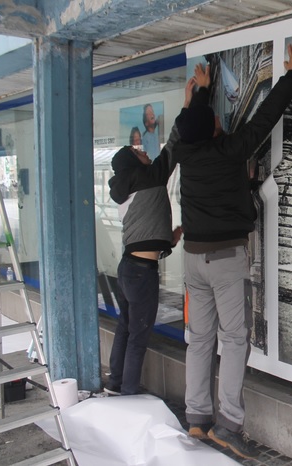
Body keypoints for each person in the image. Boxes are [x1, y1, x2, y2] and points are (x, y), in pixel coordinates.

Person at [171, 37, 292, 458]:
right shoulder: (228, 150)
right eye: (213, 118)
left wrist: (200, 91)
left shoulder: (184, 151)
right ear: (212, 127)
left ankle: (197, 420)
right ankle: (227, 424)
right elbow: (265, 117)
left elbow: (193, 120)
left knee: (199, 340)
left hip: (193, 259)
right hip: (226, 260)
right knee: (233, 341)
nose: (218, 120)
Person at [103, 78, 194, 396]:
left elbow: (141, 233)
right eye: (137, 151)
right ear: (133, 162)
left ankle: (116, 383)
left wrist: (167, 242)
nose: (144, 152)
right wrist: (187, 103)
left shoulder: (126, 190)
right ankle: (128, 394)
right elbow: (173, 146)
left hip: (130, 267)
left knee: (126, 328)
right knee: (138, 336)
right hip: (141, 273)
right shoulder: (148, 177)